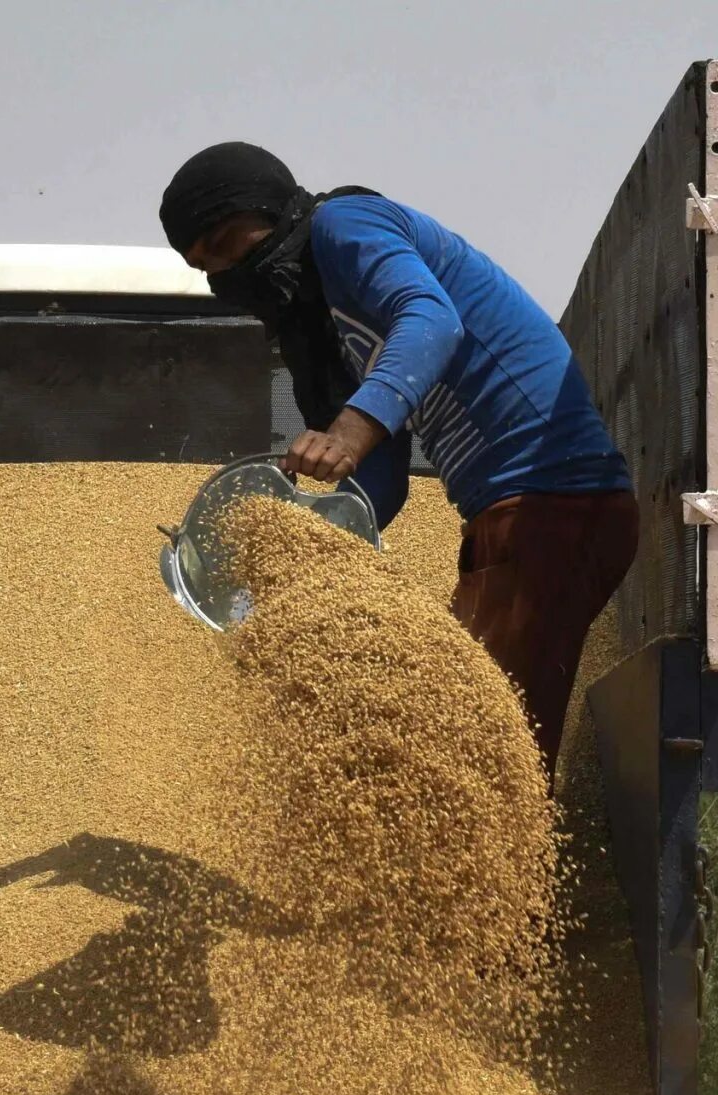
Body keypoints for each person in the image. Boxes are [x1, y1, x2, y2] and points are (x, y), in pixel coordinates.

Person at [159, 142, 637, 776]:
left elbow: (433, 319)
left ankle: (492, 876)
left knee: (476, 762)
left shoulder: (344, 225)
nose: (225, 271)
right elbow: (374, 488)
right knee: (452, 742)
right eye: (205, 265)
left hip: (556, 504)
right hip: (506, 526)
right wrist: (293, 563)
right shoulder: (322, 324)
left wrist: (350, 430)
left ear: (268, 210)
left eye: (225, 241)